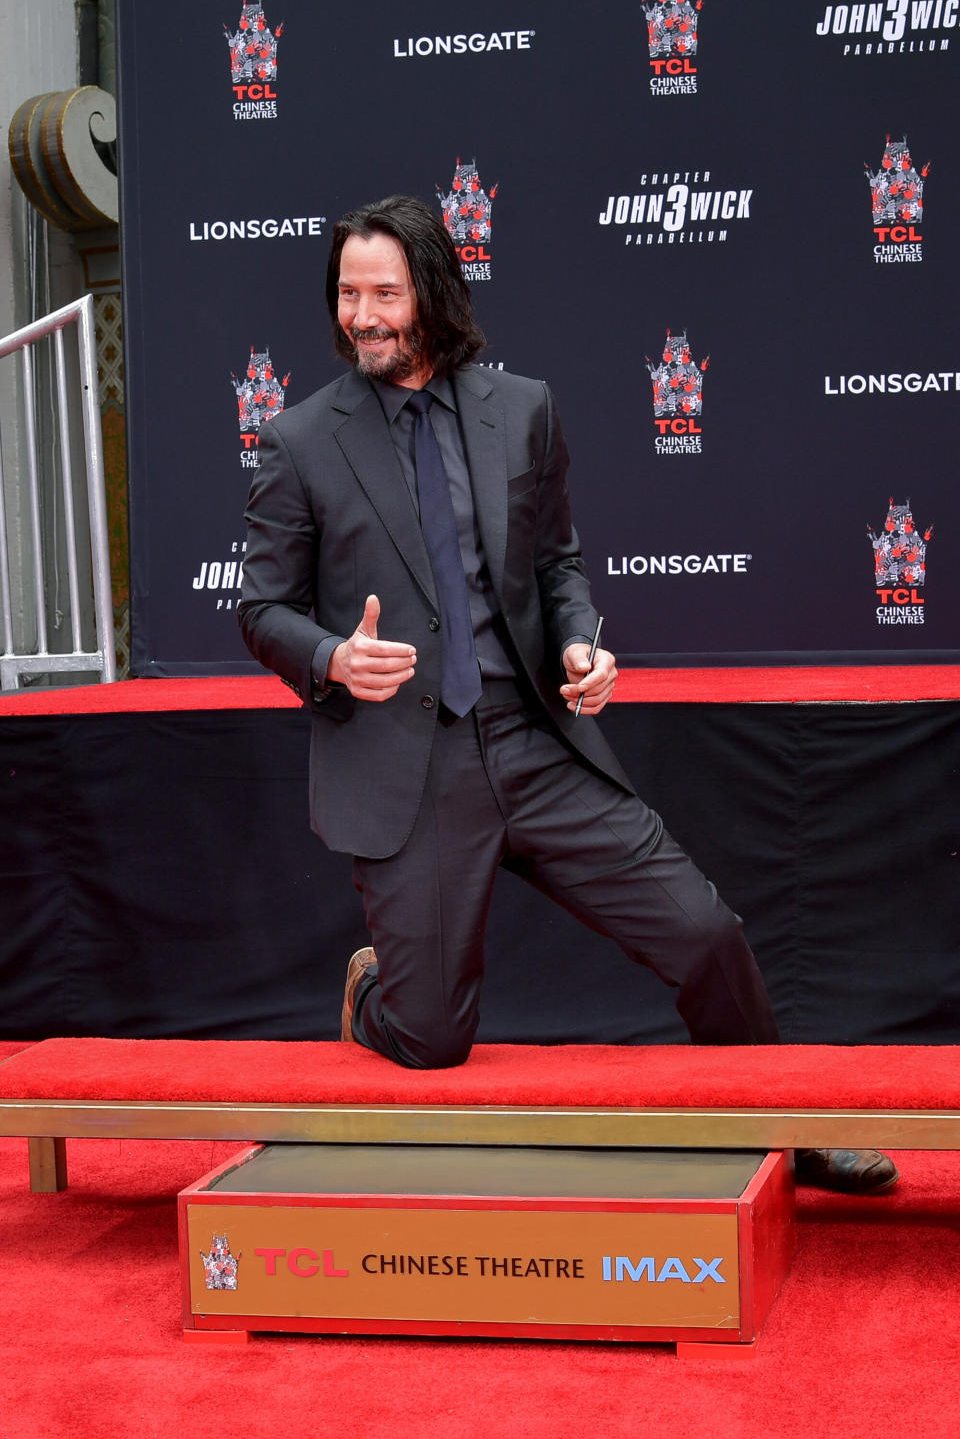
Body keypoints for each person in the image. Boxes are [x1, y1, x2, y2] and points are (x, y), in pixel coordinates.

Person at [239, 194, 897, 1195]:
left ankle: (787, 1128)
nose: (360, 317)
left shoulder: (523, 409)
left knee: (704, 934)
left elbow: (556, 565)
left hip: (534, 743)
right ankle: (377, 988)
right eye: (346, 294)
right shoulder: (300, 441)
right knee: (430, 1044)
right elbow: (259, 607)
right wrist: (330, 657)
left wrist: (583, 642)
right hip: (410, 766)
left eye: (383, 293)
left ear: (434, 291)